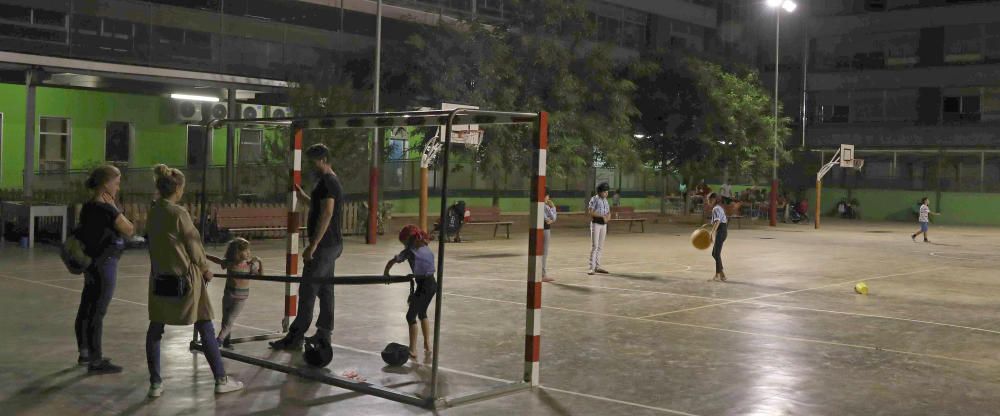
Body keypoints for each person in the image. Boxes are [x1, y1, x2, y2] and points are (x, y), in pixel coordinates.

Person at [146, 164, 243, 398]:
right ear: (177, 188)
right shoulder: (179, 214)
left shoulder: (154, 211)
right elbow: (194, 245)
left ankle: (155, 384)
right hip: (185, 280)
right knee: (205, 323)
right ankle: (221, 379)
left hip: (159, 279)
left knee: (155, 329)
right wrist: (205, 269)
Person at [271, 144, 344, 350]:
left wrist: (313, 245)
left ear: (323, 160)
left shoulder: (329, 182)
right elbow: (319, 205)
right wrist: (303, 197)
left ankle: (296, 336)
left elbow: (327, 213)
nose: (311, 165)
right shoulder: (327, 181)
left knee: (308, 288)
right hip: (332, 245)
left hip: (325, 245)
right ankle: (324, 333)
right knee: (326, 289)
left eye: (313, 161)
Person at [75, 165, 134, 373]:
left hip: (91, 263)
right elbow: (129, 229)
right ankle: (96, 360)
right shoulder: (107, 209)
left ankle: (85, 352)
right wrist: (116, 208)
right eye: (116, 183)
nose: (118, 187)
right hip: (105, 263)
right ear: (106, 184)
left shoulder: (88, 206)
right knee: (97, 311)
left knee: (86, 306)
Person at [383, 225, 437, 360]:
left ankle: (413, 349)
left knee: (410, 317)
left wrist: (386, 274)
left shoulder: (409, 251)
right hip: (432, 284)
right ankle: (427, 345)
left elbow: (392, 261)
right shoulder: (425, 245)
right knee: (422, 312)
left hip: (424, 286)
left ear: (407, 241)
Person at [207, 238, 262, 349]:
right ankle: (227, 341)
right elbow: (218, 260)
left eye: (248, 250)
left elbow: (260, 275)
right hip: (228, 295)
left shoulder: (249, 265)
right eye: (246, 251)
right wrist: (205, 255)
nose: (249, 253)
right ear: (237, 252)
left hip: (240, 298)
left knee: (230, 319)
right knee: (226, 318)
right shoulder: (230, 263)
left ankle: (219, 340)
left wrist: (260, 262)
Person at [588, 183, 611, 276]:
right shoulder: (594, 199)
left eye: (607, 192)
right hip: (596, 224)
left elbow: (608, 212)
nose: (606, 193)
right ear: (600, 192)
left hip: (603, 225)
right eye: (605, 192)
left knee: (600, 246)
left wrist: (607, 218)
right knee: (595, 246)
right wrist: (602, 216)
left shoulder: (605, 201)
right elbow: (591, 212)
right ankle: (591, 268)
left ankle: (597, 266)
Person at [707, 193, 728, 282]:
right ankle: (721, 274)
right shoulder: (718, 208)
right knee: (714, 253)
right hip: (723, 231)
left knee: (716, 253)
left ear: (714, 199)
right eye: (708, 200)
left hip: (721, 231)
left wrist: (711, 233)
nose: (709, 202)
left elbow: (718, 221)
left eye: (710, 200)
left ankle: (718, 275)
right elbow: (717, 221)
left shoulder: (716, 208)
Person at [542, 189, 557, 283]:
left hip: (543, 229)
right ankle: (542, 274)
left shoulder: (543, 206)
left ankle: (541, 273)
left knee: (542, 252)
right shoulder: (545, 206)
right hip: (545, 230)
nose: (548, 198)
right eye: (547, 196)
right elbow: (551, 218)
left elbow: (553, 218)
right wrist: (553, 207)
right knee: (544, 252)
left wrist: (552, 219)